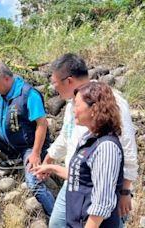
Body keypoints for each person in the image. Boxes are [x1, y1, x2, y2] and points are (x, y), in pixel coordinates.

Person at [43, 53, 138, 227]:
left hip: (102, 186)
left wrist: (125, 190)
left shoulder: (111, 103)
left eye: (55, 84)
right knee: (57, 223)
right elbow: (67, 135)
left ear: (69, 80)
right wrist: (49, 159)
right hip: (76, 180)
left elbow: (129, 150)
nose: (54, 89)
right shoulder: (75, 103)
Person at [33, 82, 125, 228]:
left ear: (93, 109)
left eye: (77, 105)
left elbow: (102, 203)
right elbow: (81, 176)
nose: (73, 110)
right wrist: (52, 168)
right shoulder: (89, 138)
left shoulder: (106, 147)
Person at [0, 62, 55, 216]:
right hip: (13, 138)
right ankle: (16, 159)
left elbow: (42, 124)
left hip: (30, 145)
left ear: (7, 79)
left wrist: (36, 153)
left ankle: (58, 217)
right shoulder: (5, 93)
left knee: (33, 183)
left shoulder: (29, 94)